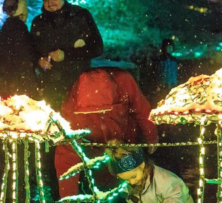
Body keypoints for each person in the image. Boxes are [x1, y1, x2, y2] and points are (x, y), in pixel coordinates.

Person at [55, 67, 158, 198]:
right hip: (96, 151)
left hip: (126, 143)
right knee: (105, 191)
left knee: (134, 183)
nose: (98, 114)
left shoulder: (124, 82)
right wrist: (67, 197)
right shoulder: (71, 106)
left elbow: (143, 112)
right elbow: (66, 154)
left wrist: (151, 138)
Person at [30, 0, 103, 111]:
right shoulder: (38, 22)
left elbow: (97, 48)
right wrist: (38, 60)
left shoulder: (80, 16)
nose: (50, 3)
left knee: (77, 123)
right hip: (50, 85)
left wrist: (66, 55)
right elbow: (31, 50)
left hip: (78, 83)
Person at [105, 139, 193, 203]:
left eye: (133, 176)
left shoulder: (167, 182)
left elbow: (177, 197)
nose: (131, 182)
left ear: (142, 165)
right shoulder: (128, 186)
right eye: (126, 179)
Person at [0, 0, 39, 99]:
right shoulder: (21, 32)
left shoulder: (3, 32)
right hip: (22, 89)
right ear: (22, 10)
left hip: (6, 87)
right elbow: (26, 60)